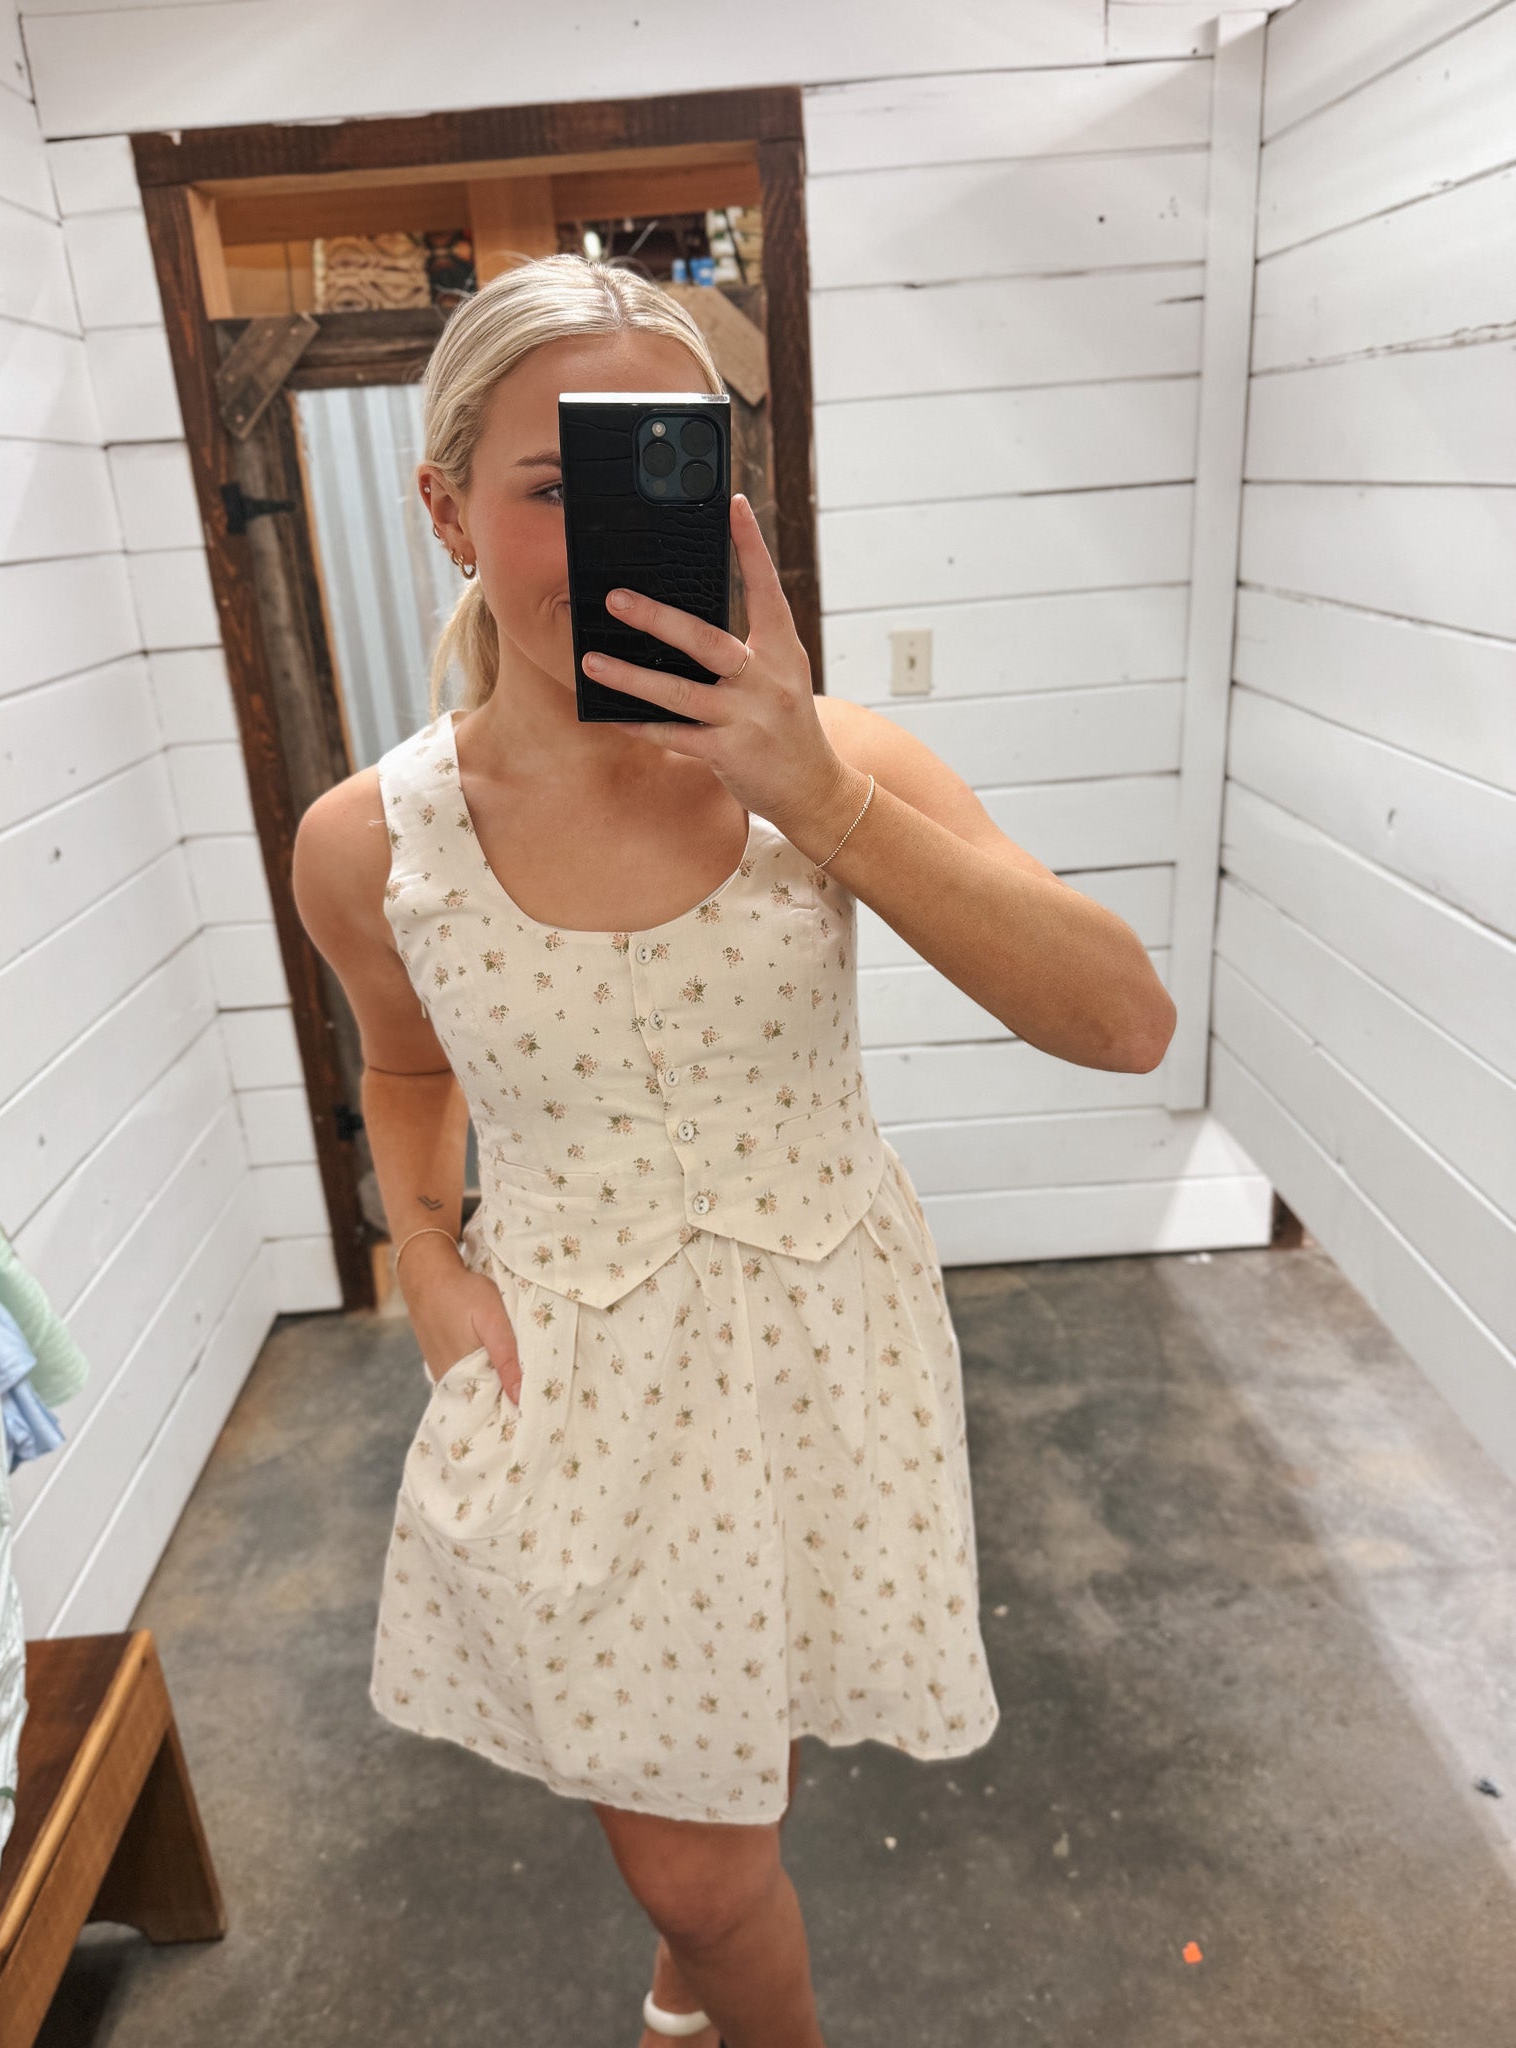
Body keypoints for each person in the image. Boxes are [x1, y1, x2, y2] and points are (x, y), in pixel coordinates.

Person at [292, 252, 1175, 2048]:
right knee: (698, 1872)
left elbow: (1122, 1022)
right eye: (548, 486)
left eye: (659, 472)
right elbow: (403, 1064)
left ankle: (680, 2015)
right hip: (580, 1385)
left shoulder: (841, 766)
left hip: (827, 1346)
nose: (605, 531)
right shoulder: (369, 841)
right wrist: (429, 1262)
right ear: (446, 508)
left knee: (741, 1764)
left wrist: (817, 794)